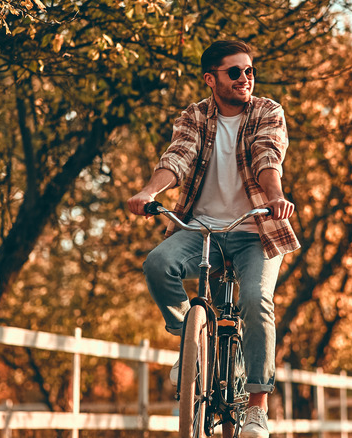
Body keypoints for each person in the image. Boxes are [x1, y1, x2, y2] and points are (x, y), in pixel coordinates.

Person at [127, 40, 299, 438]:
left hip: (256, 231)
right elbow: (178, 157)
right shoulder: (195, 116)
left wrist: (275, 198)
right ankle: (191, 348)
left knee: (256, 300)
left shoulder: (267, 112)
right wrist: (149, 193)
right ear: (211, 79)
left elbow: (266, 155)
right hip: (200, 230)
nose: (245, 79)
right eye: (235, 72)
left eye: (249, 71)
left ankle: (257, 407)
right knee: (157, 264)